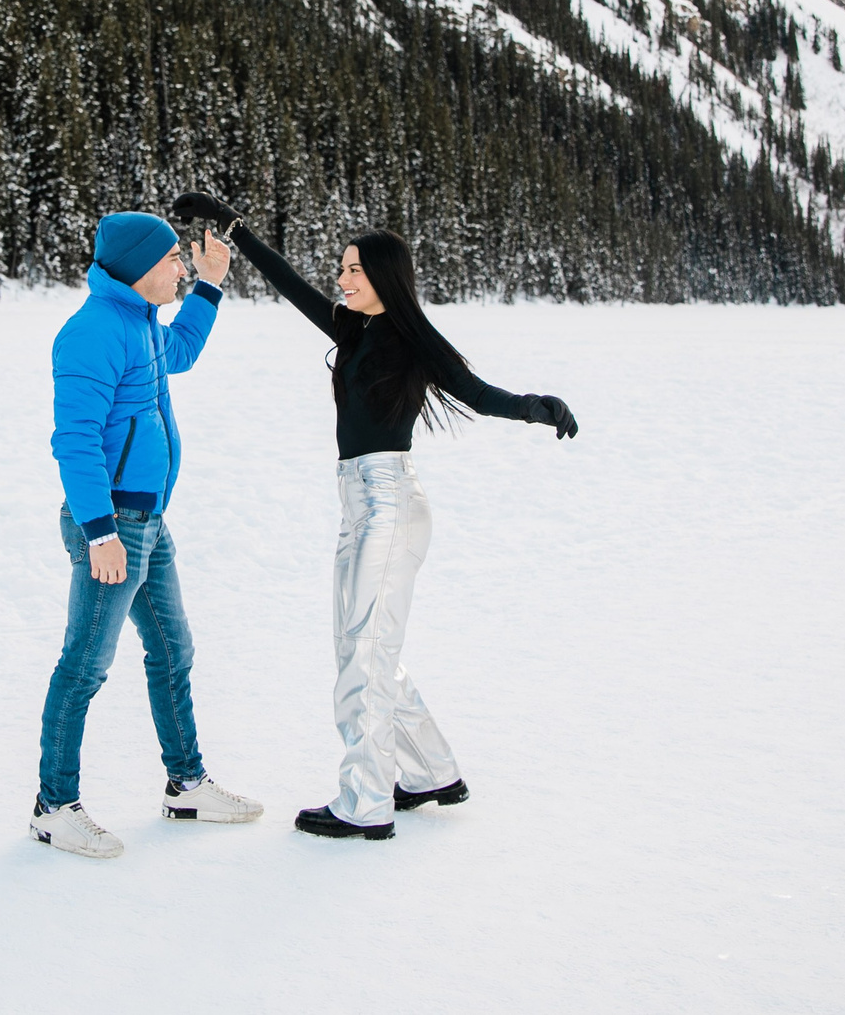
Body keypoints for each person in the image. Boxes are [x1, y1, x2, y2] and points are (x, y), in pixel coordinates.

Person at [171, 194, 577, 842]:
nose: (342, 279)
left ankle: (365, 801)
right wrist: (232, 225)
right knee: (361, 649)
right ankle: (431, 773)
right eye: (342, 268)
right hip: (356, 503)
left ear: (384, 275)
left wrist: (539, 407)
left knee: (364, 652)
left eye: (354, 270)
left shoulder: (413, 338)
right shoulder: (351, 328)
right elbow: (288, 282)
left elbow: (477, 394)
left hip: (391, 504)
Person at [29, 211, 264, 859]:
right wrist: (98, 530)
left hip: (148, 525)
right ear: (137, 267)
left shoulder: (141, 323)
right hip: (113, 529)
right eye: (172, 262)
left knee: (173, 650)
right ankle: (55, 806)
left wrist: (212, 286)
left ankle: (185, 783)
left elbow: (181, 353)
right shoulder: (91, 333)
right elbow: (74, 441)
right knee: (84, 667)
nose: (180, 269)